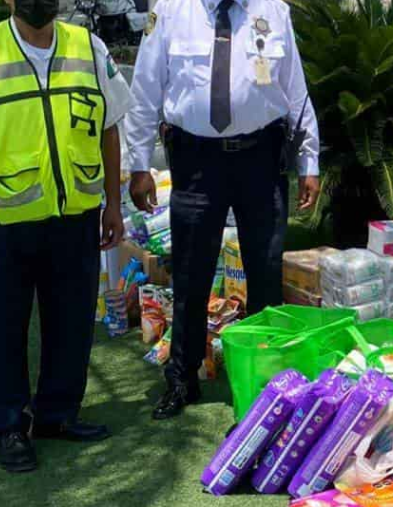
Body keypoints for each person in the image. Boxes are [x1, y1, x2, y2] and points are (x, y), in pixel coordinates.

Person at [0, 0, 131, 472]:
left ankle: (57, 415)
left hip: (76, 216)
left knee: (70, 323)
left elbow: (109, 127)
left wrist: (112, 202)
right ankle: (8, 427)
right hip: (4, 223)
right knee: (0, 330)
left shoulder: (88, 47)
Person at [125, 0, 321, 420]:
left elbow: (296, 92)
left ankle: (266, 380)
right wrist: (139, 164)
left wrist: (310, 160)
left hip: (261, 161)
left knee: (265, 273)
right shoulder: (171, 11)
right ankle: (182, 376)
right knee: (191, 275)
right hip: (196, 163)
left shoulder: (274, 10)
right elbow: (144, 88)